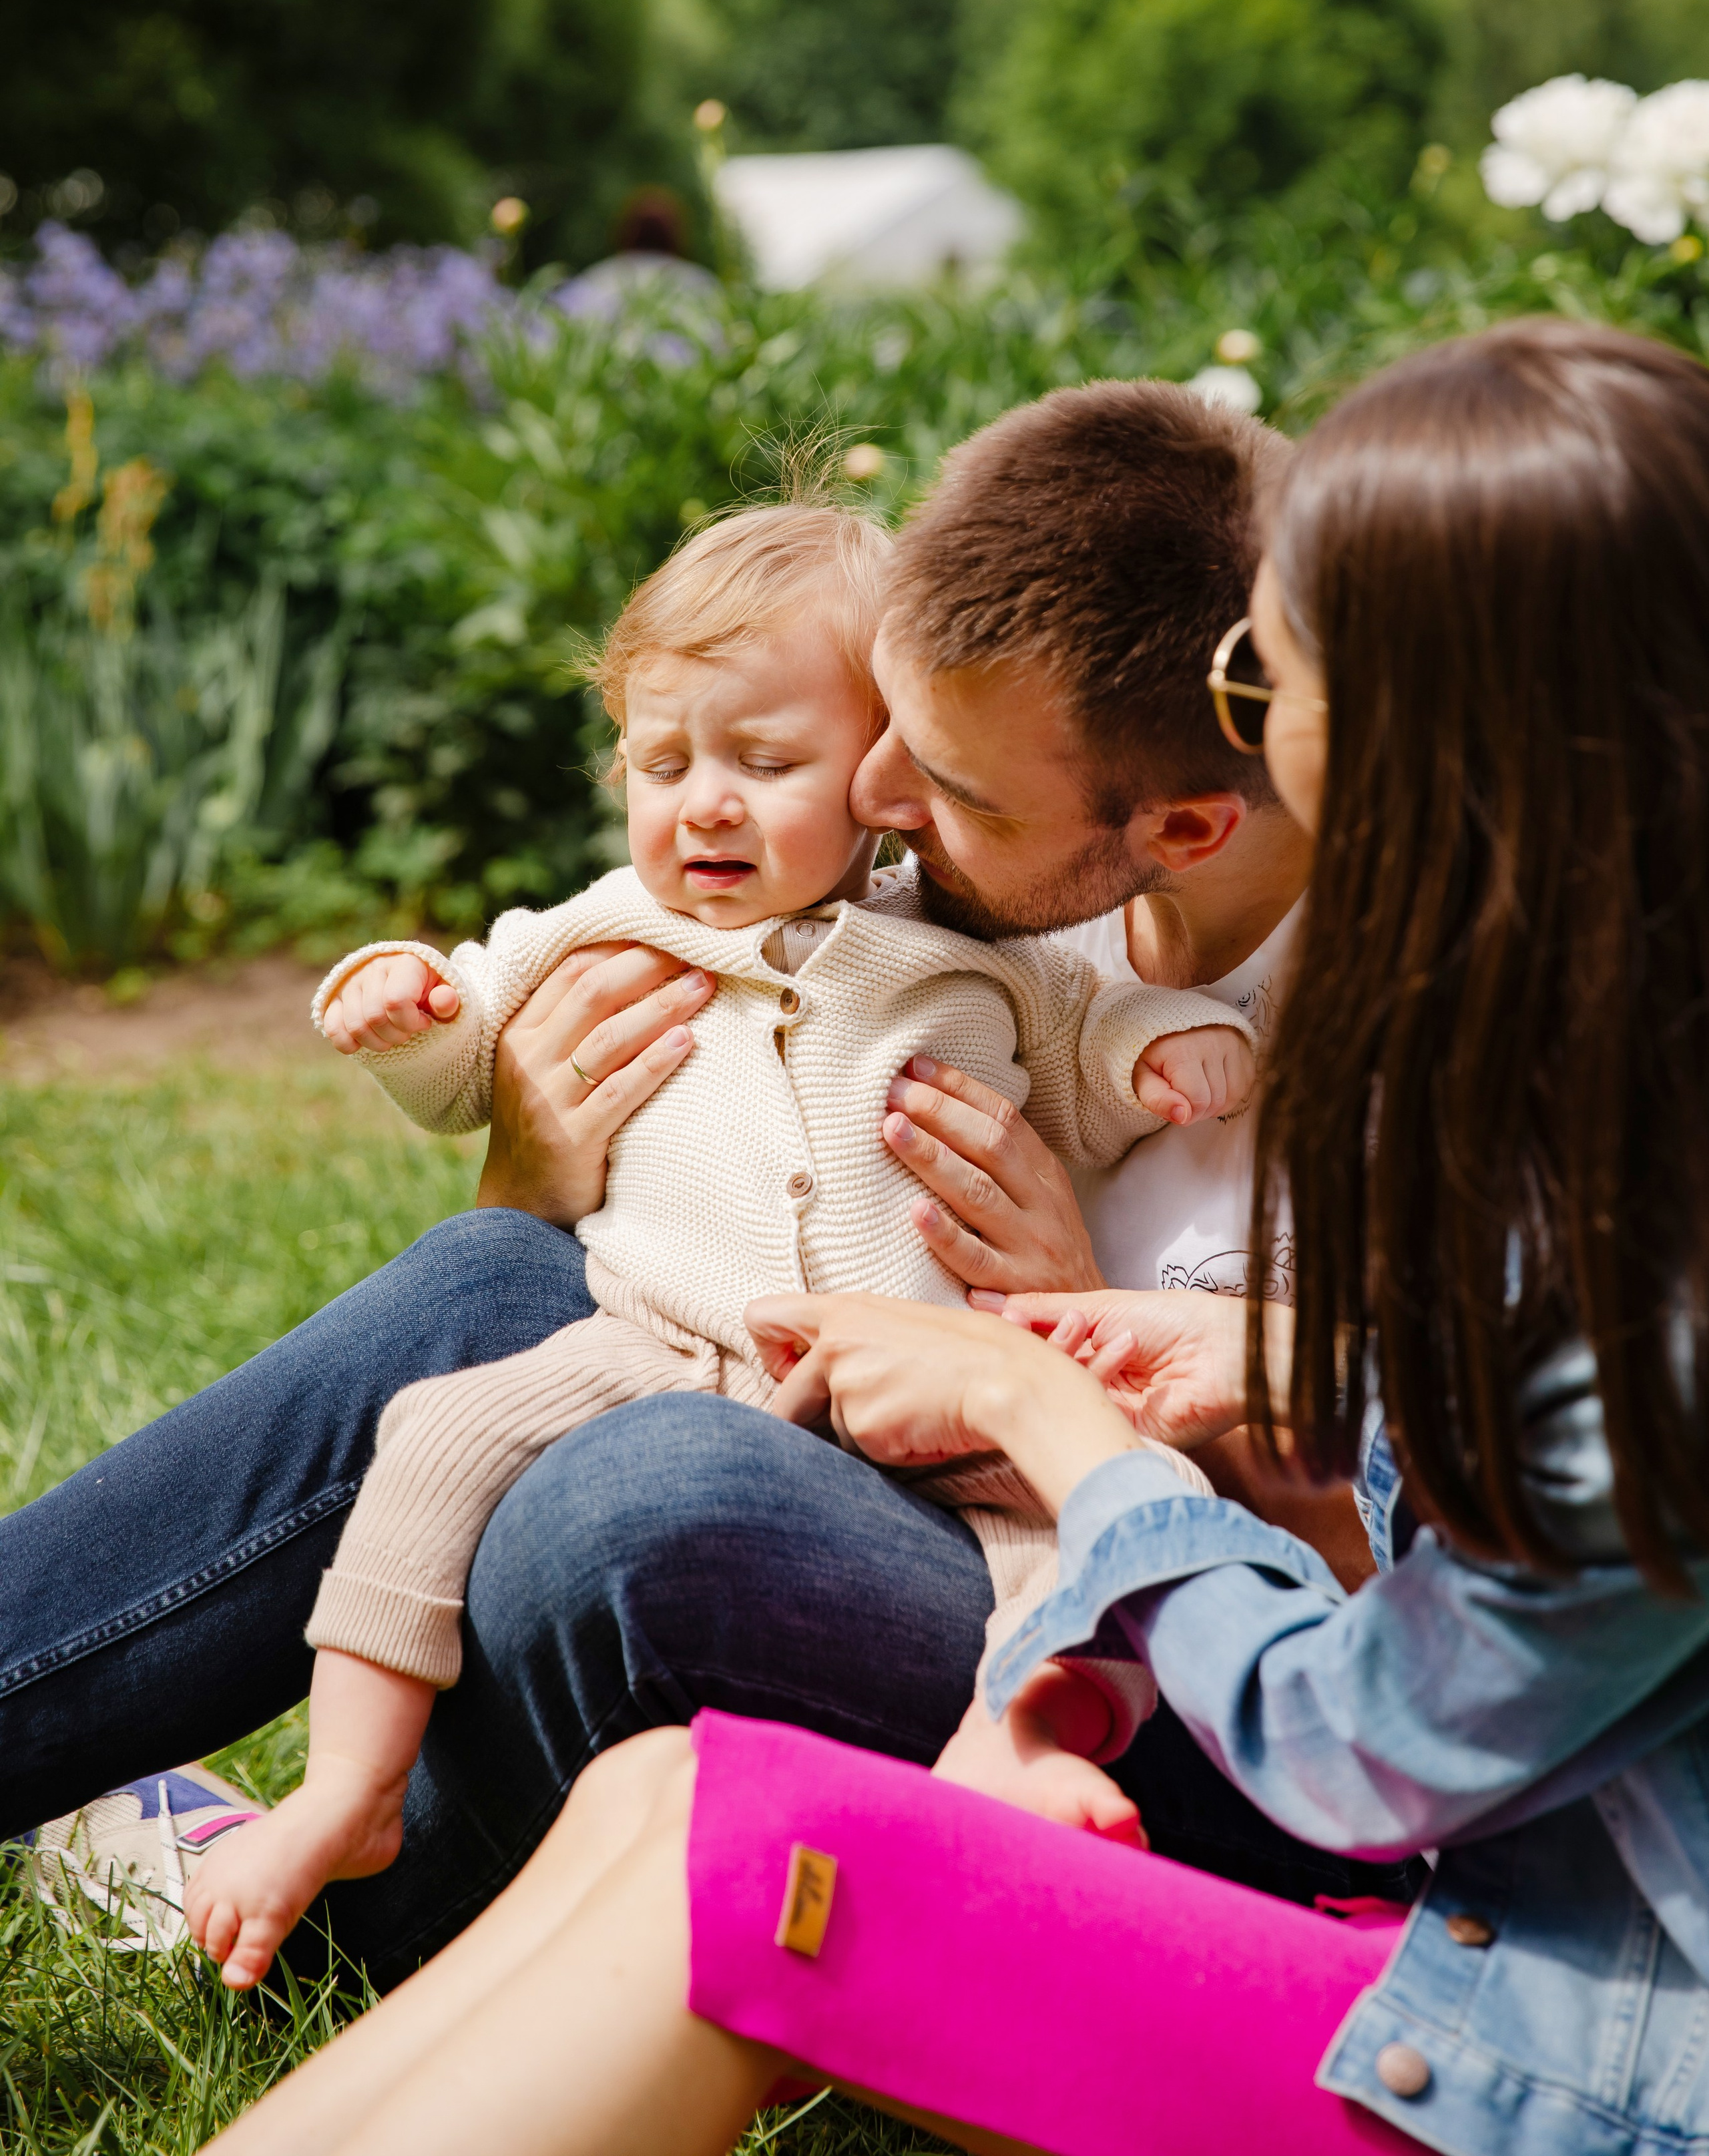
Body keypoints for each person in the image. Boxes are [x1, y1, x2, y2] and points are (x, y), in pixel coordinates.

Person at [210, 316, 1709, 2156]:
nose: (1249, 697)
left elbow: (1360, 1748)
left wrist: (1067, 1424)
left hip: (1534, 2059)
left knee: (729, 1830)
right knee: (667, 1797)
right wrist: (1278, 1359)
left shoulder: (1603, 1198)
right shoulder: (1595, 1081)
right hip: (1498, 1951)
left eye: (1280, 666)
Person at [4, 379, 1351, 1990]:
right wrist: (530, 1162)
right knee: (491, 1292)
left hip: (1173, 1639)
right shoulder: (1004, 878)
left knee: (637, 1497)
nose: (871, 808)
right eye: (890, 745)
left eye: (946, 788)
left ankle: (311, 1915)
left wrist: (1058, 1349)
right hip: (825, 1398)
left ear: (1186, 825)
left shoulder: (1399, 1042)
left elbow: (1418, 1553)